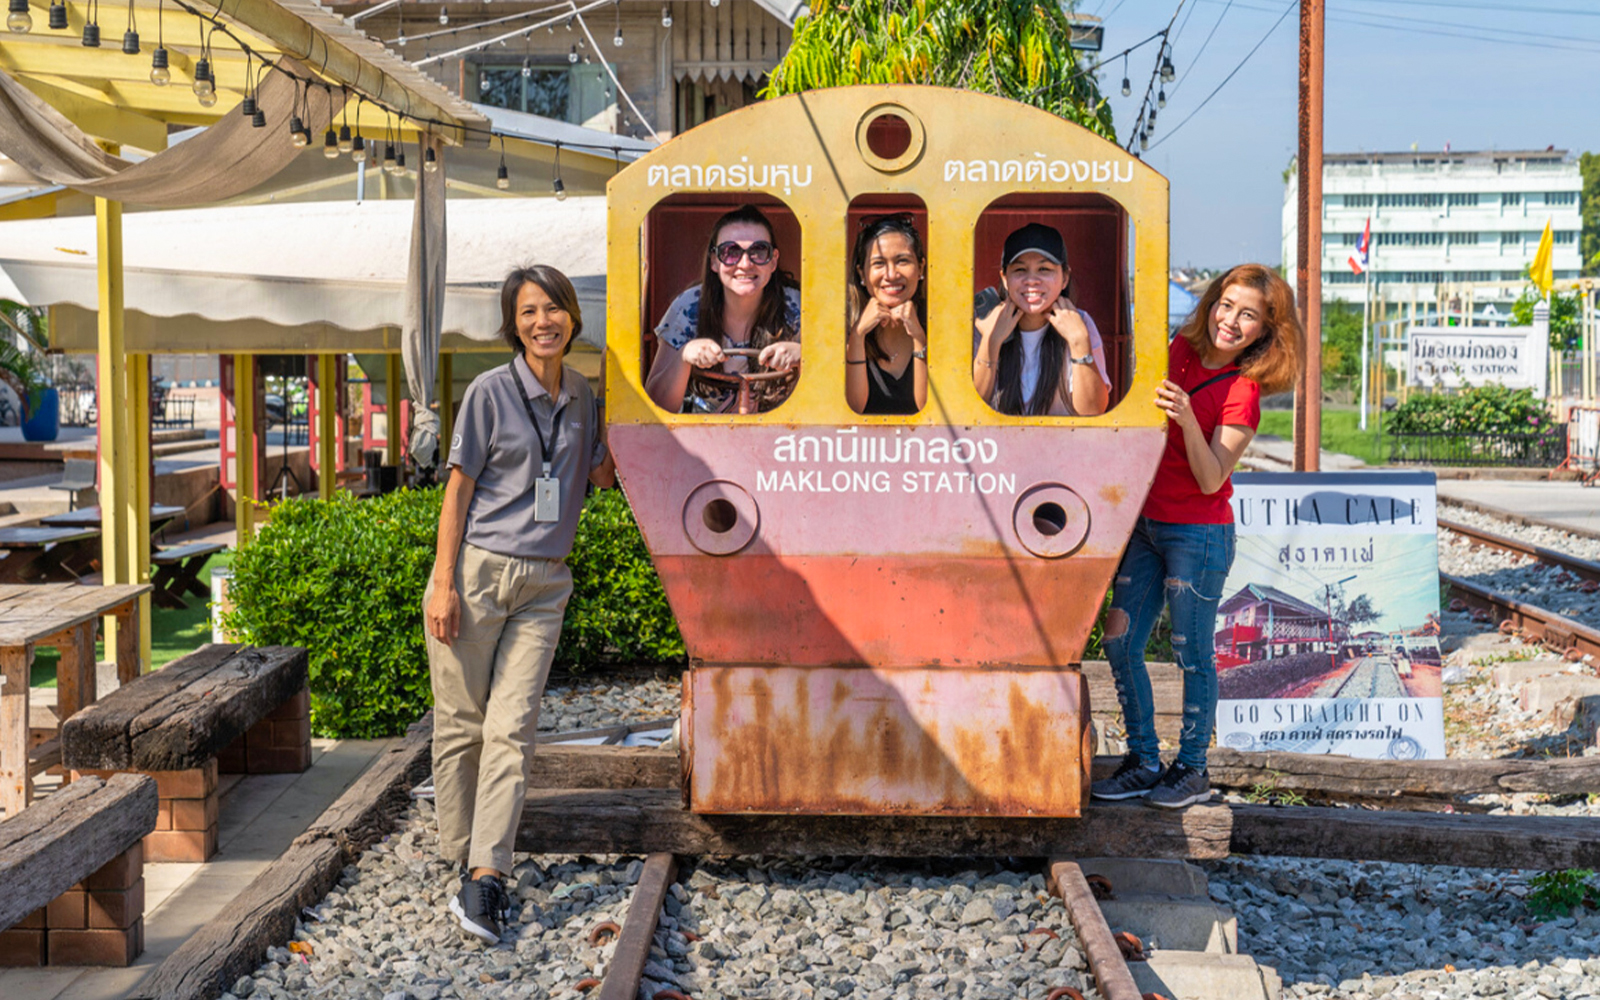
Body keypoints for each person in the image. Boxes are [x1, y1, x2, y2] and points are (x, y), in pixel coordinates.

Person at [423, 264, 616, 943]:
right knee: (461, 725)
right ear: (514, 323)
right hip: (476, 575)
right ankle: (459, 854)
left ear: (572, 318)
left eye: (555, 309)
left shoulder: (586, 394)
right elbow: (457, 491)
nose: (544, 322)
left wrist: (627, 406)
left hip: (545, 584)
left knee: (512, 729)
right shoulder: (488, 392)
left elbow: (601, 473)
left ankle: (485, 875)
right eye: (530, 311)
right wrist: (443, 581)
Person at [1089, 263, 1302, 809]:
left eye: (1247, 315)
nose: (1230, 321)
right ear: (1211, 303)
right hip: (1146, 522)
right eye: (1225, 305)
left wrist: (1186, 418)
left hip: (1198, 534)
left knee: (1190, 652)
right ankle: (1142, 760)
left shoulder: (1243, 392)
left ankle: (1191, 768)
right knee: (1120, 641)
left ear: (1265, 331)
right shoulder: (1179, 347)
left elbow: (1212, 479)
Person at [645, 204, 802, 413]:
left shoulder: (799, 309)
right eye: (730, 252)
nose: (745, 264)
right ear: (714, 262)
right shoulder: (687, 309)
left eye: (759, 251)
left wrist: (805, 357)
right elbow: (655, 408)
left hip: (784, 439)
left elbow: (830, 398)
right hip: (704, 438)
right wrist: (683, 357)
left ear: (773, 262)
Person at [972, 222, 1110, 417]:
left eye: (1044, 269)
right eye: (1020, 270)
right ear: (1004, 278)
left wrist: (1079, 342)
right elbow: (969, 409)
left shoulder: (1082, 323)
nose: (1032, 280)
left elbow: (1092, 410)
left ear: (1065, 278)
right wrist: (991, 341)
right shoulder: (986, 323)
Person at [846, 213, 928, 415]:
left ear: (921, 268)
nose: (891, 275)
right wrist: (857, 337)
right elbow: (855, 406)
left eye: (902, 261)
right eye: (879, 264)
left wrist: (919, 338)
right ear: (862, 274)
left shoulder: (940, 320)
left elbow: (926, 409)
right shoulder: (842, 325)